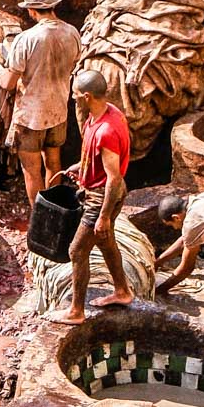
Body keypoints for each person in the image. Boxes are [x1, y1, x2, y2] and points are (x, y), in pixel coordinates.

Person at [53, 69, 133, 324]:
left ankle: (76, 312)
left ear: (87, 96)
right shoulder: (102, 114)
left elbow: (113, 178)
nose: (73, 98)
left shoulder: (106, 130)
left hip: (101, 198)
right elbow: (97, 158)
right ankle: (122, 291)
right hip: (99, 190)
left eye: (76, 95)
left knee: (77, 251)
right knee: (105, 243)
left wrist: (104, 216)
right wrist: (81, 168)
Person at [0, 0, 82, 205]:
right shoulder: (72, 33)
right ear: (51, 6)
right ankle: (54, 211)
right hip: (58, 112)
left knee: (32, 170)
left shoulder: (27, 39)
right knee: (54, 163)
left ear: (31, 10)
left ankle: (39, 218)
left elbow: (8, 83)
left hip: (31, 116)